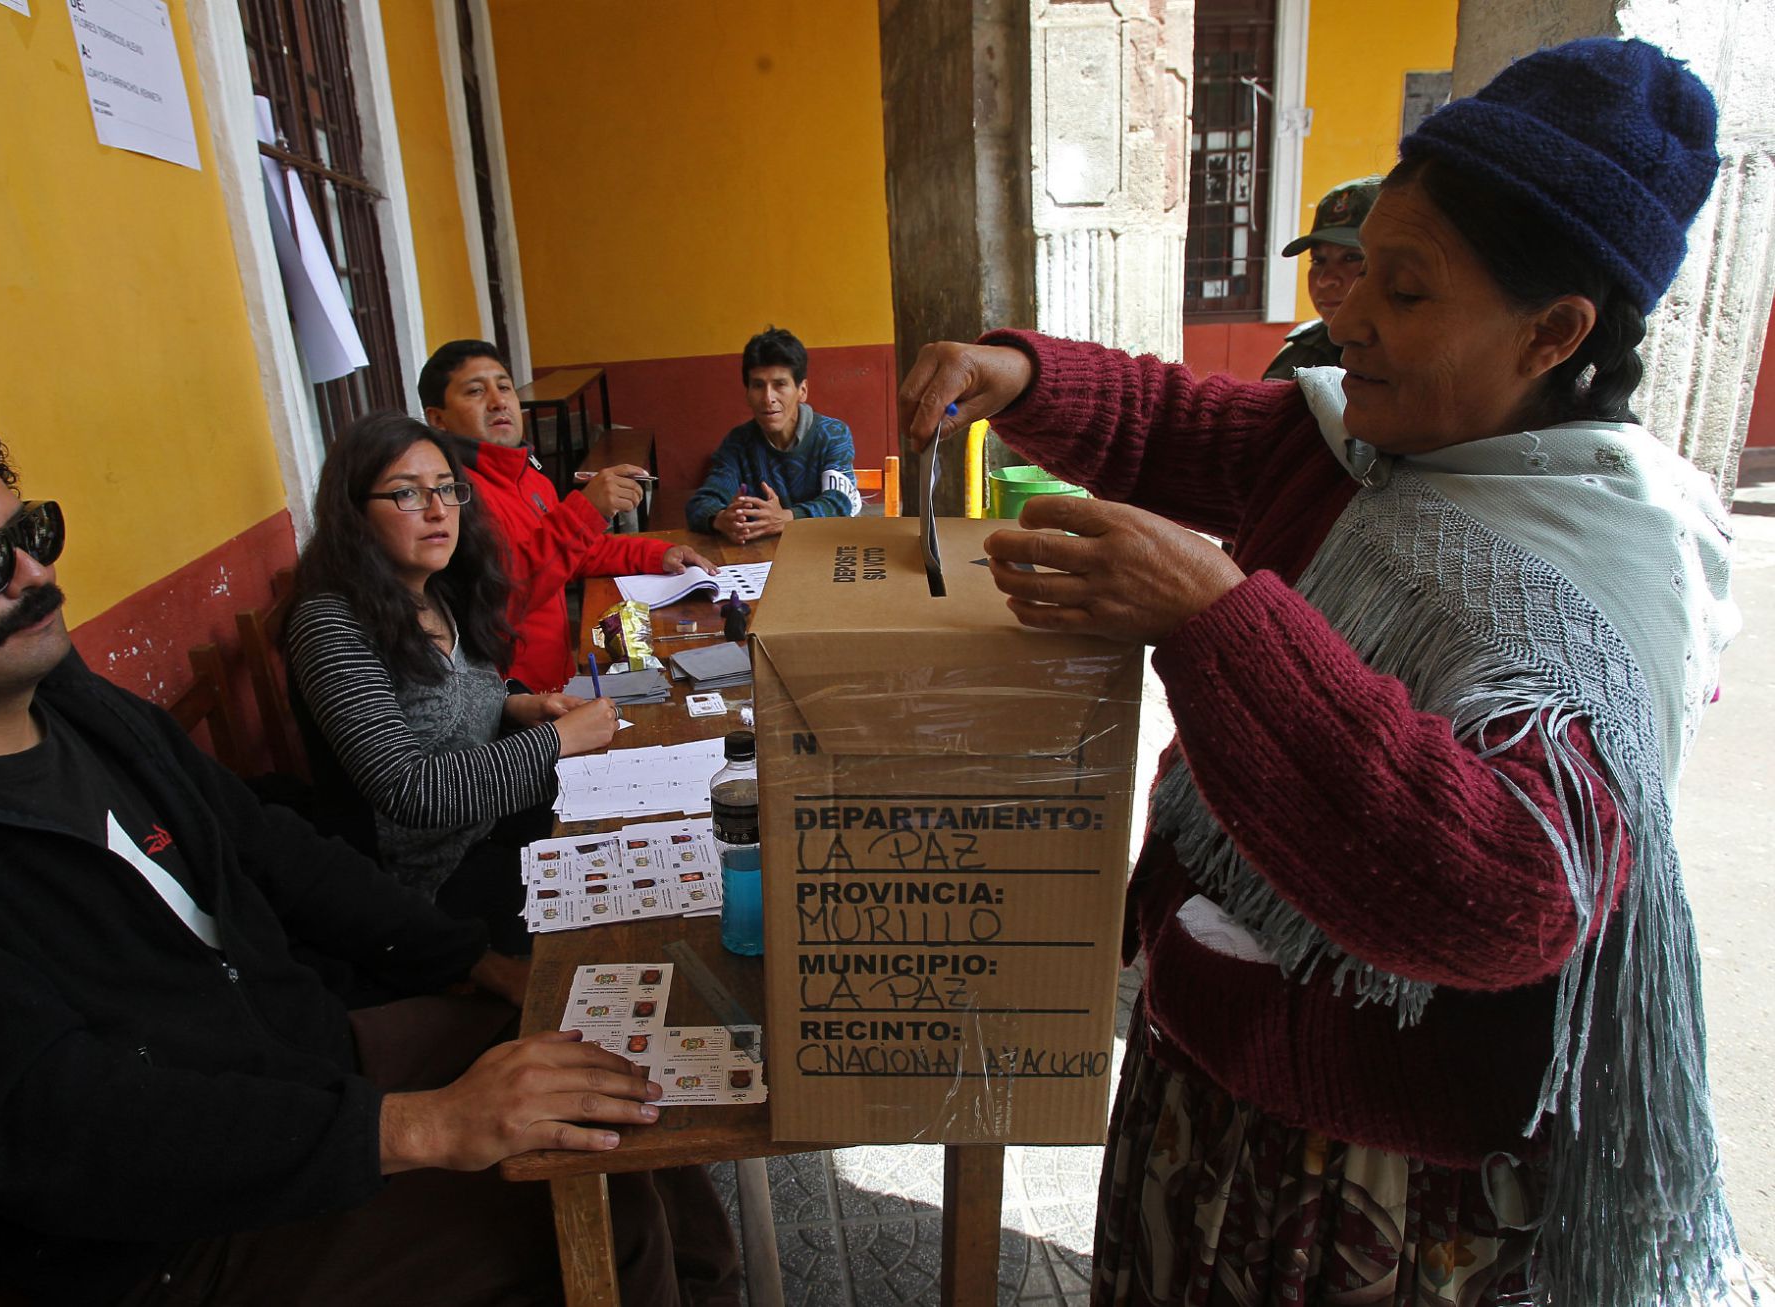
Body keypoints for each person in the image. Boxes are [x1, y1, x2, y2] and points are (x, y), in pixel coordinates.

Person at [900, 38, 1739, 1307]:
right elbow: (1182, 422)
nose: (1346, 322)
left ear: (1553, 330)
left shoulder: (1586, 593)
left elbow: (1507, 894)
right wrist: (1015, 372)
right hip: (1208, 1070)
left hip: (1373, 1179)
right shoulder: (1368, 442)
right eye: (1354, 279)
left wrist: (1217, 620)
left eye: (1404, 294)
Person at [0, 375, 739, 1306]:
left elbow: (268, 844)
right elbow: (58, 1122)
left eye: (32, 533)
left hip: (294, 1053)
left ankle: (708, 1285)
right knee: (589, 1184)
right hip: (184, 1234)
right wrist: (422, 1127)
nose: (32, 576)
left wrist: (476, 962)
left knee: (603, 1058)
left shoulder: (72, 703)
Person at [282, 413, 622, 951]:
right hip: (428, 886)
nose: (439, 510)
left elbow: (461, 698)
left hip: (498, 826)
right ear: (354, 513)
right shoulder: (332, 625)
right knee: (618, 929)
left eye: (446, 488)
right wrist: (556, 740)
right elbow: (409, 791)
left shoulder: (438, 590)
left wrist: (516, 707)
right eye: (407, 495)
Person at [419, 340, 716, 693]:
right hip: (510, 701)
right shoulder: (452, 497)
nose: (498, 401)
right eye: (475, 391)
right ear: (438, 419)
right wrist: (586, 510)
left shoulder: (531, 479)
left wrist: (657, 554)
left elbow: (576, 554)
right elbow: (502, 599)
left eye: (504, 387)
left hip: (560, 682)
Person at [685, 326, 861, 544]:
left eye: (780, 385)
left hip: (824, 552)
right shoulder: (738, 442)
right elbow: (702, 502)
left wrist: (787, 518)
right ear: (747, 394)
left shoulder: (832, 434)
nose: (768, 398)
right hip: (762, 562)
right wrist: (720, 519)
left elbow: (839, 502)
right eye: (758, 385)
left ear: (802, 391)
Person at [1262, 176, 1380, 380]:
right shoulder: (1300, 353)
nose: (1324, 280)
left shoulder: (1419, 363)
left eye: (1352, 258)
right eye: (1318, 260)